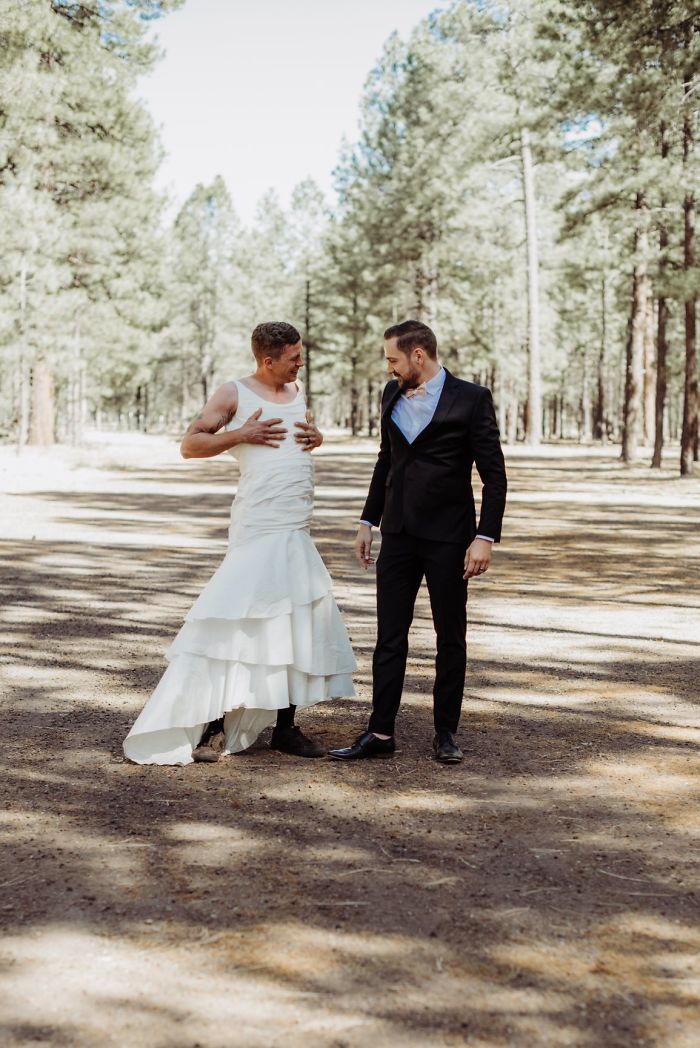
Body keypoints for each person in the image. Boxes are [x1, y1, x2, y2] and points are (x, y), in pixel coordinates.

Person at [123, 322, 356, 765]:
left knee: (292, 618)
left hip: (295, 524)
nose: (301, 363)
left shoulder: (297, 390)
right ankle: (213, 725)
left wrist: (318, 438)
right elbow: (190, 445)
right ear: (268, 360)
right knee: (237, 618)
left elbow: (296, 442)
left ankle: (286, 727)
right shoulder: (233, 393)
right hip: (258, 525)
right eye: (294, 357)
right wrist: (240, 435)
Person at [329, 320, 506, 765]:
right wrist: (367, 520)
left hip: (450, 538)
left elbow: (494, 475)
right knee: (390, 636)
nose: (389, 368)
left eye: (393, 359)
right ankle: (380, 732)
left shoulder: (472, 398)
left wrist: (484, 537)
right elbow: (386, 460)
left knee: (450, 637)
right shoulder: (391, 394)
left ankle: (445, 732)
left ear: (419, 356)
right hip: (399, 536)